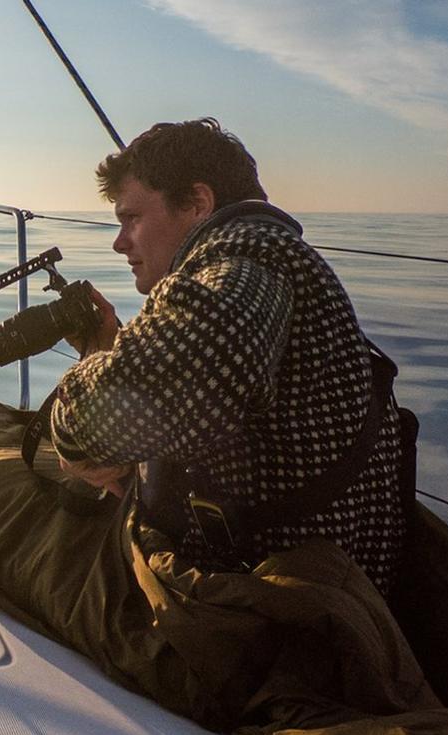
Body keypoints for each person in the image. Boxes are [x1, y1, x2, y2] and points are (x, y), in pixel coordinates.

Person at [49, 117, 408, 592]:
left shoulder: (245, 268)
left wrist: (81, 417)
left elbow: (92, 425)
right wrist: (106, 355)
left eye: (131, 218)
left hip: (258, 610)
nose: (120, 243)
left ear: (198, 203)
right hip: (288, 581)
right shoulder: (273, 256)